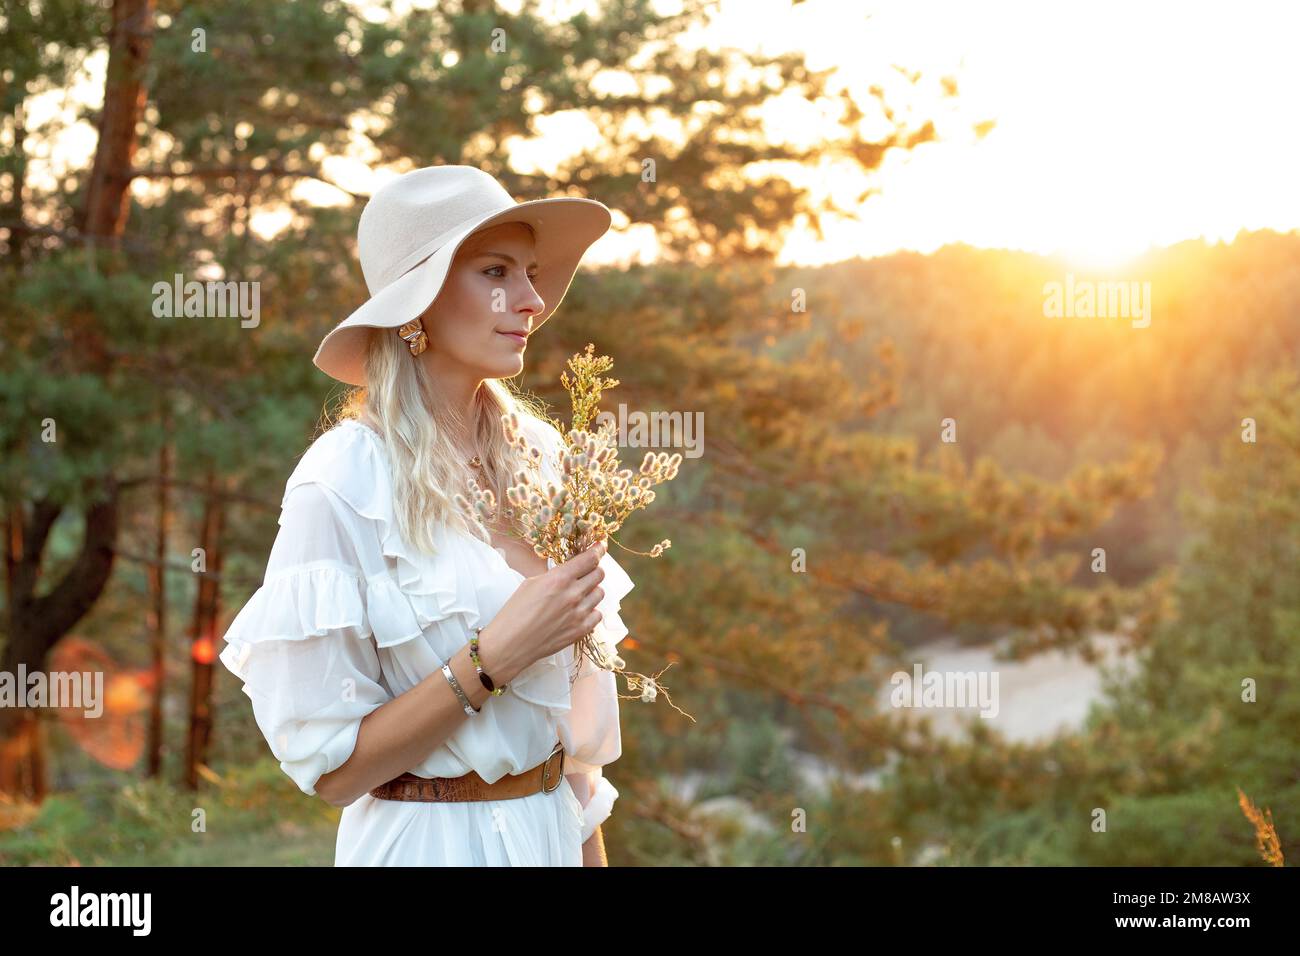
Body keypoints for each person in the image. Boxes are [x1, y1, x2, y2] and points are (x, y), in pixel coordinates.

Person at [218, 165, 632, 865]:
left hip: (548, 840)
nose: (531, 299)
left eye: (531, 271)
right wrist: (492, 659)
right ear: (417, 303)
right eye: (496, 271)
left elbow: (577, 754)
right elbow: (334, 771)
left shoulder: (541, 455)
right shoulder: (342, 483)